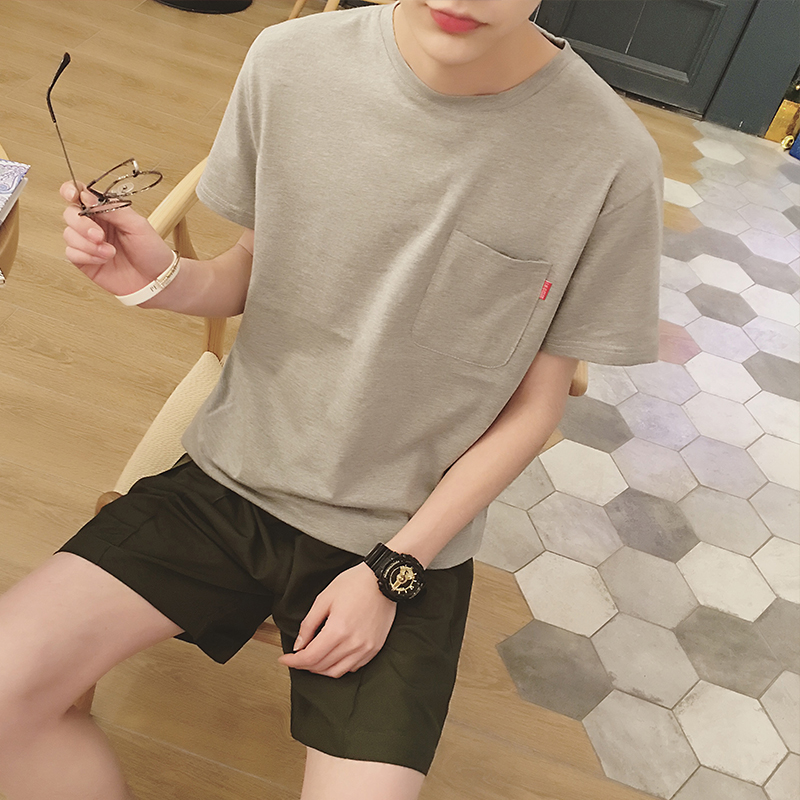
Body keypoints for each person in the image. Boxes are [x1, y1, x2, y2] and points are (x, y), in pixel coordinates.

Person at [0, 1, 663, 798]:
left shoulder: (611, 161)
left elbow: (536, 408)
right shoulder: (290, 61)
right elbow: (252, 270)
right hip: (229, 480)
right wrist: (161, 279)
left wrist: (392, 571)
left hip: (404, 535)